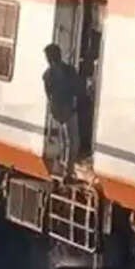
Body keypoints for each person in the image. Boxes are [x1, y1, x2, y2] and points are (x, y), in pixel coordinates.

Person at [42, 44, 82, 178]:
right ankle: (68, 170)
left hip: (58, 110)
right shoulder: (70, 71)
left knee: (64, 141)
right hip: (68, 109)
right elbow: (77, 89)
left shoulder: (47, 75)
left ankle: (63, 166)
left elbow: (49, 95)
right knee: (73, 141)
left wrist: (54, 108)